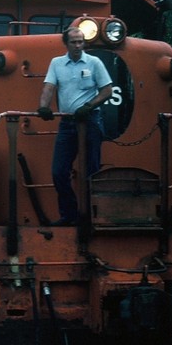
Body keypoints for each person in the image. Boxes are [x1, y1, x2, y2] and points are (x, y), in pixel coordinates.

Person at [36, 26, 113, 226]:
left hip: (90, 122)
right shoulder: (57, 63)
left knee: (91, 170)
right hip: (68, 123)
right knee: (59, 171)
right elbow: (49, 87)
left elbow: (107, 90)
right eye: (74, 42)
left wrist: (89, 106)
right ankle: (69, 215)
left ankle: (91, 217)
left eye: (81, 41)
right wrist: (43, 107)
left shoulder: (94, 63)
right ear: (66, 44)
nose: (78, 45)